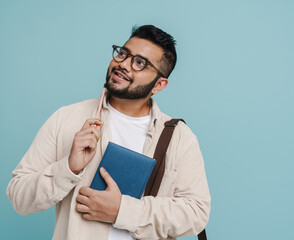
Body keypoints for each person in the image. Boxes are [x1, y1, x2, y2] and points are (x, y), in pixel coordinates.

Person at [6, 25, 210, 240]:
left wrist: (122, 210)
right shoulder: (66, 118)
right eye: (123, 53)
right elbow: (19, 197)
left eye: (140, 63)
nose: (122, 64)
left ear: (159, 84)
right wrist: (69, 167)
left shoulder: (180, 137)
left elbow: (196, 213)